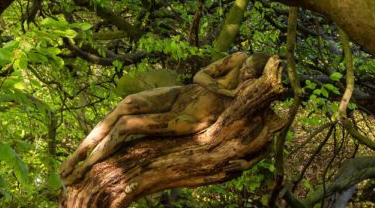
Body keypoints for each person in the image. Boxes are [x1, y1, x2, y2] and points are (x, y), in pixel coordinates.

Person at [59, 52, 270, 182]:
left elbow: (270, 137)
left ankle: (84, 169)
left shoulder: (257, 94)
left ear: (261, 76)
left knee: (126, 124)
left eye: (250, 71)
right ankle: (75, 157)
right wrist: (226, 92)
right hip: (184, 94)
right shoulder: (238, 59)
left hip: (189, 120)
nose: (244, 71)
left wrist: (248, 164)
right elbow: (199, 75)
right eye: (246, 66)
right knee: (127, 103)